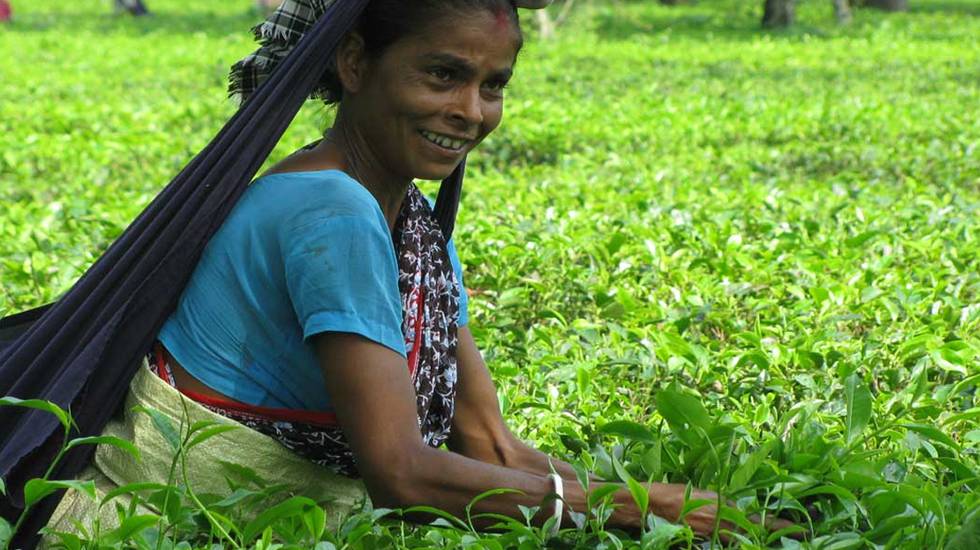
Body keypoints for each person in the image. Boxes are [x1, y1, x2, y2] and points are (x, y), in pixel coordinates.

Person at [48, 0, 791, 542]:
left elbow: (489, 444)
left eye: (493, 84)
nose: (471, 111)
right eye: (443, 74)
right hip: (151, 530)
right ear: (355, 63)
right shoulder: (329, 208)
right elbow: (400, 473)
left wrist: (646, 507)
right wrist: (632, 506)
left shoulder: (408, 221)